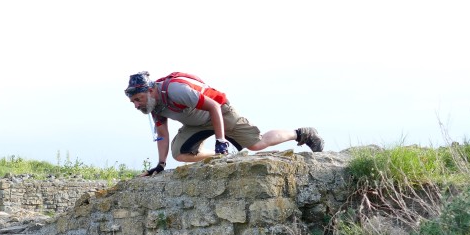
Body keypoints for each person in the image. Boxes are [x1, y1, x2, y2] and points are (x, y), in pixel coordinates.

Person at [125, 71, 324, 176]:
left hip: (220, 112)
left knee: (257, 144)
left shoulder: (176, 90)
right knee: (180, 154)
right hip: (195, 125)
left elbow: (213, 107)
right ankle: (223, 157)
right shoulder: (154, 107)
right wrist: (161, 164)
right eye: (133, 101)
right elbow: (163, 135)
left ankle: (302, 133)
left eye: (138, 99)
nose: (136, 105)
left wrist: (220, 139)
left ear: (150, 91)